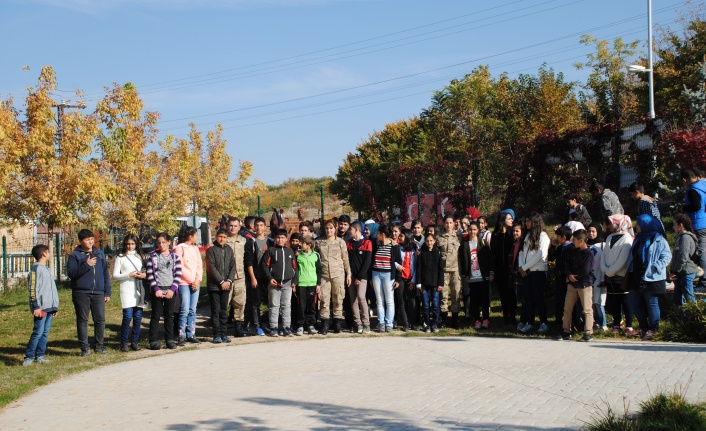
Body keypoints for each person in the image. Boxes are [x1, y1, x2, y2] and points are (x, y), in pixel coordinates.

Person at [627, 214, 672, 340]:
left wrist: (656, 266)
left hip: (653, 277)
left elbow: (667, 256)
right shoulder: (638, 239)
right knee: (634, 302)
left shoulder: (659, 239)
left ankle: (653, 328)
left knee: (651, 303)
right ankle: (643, 327)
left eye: (639, 224)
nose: (637, 227)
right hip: (637, 275)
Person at [67, 229, 111, 356]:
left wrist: (107, 292)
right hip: (81, 292)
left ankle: (99, 346)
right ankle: (85, 348)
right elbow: (71, 274)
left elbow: (105, 274)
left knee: (100, 320)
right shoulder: (75, 255)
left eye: (92, 239)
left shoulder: (99, 253)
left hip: (98, 292)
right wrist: (86, 264)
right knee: (83, 320)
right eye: (87, 239)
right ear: (80, 241)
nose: (90, 241)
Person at [555, 229, 595, 341]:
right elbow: (567, 264)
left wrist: (575, 277)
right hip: (572, 285)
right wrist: (568, 274)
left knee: (587, 309)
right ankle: (566, 331)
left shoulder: (589, 254)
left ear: (581, 240)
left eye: (575, 240)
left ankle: (588, 332)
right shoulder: (573, 251)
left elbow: (586, 270)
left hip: (584, 285)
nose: (572, 241)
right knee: (567, 308)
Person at [23, 244, 59, 366]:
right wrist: (35, 306)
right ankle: (29, 357)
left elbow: (51, 289)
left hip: (49, 306)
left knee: (45, 332)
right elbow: (32, 289)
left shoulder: (47, 269)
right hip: (40, 307)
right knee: (38, 332)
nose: (49, 254)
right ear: (44, 253)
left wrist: (55, 306)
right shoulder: (36, 269)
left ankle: (40, 355)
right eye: (48, 252)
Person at [146, 232, 182, 350]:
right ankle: (153, 340)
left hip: (170, 290)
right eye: (159, 243)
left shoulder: (175, 257)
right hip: (158, 290)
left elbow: (178, 274)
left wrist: (172, 289)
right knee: (156, 315)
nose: (161, 245)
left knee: (169, 316)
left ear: (169, 242)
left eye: (164, 242)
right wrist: (156, 289)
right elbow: (150, 274)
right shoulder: (153, 256)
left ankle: (169, 339)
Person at [600, 215, 635, 336]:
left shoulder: (627, 238)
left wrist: (610, 270)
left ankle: (629, 325)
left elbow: (623, 259)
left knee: (625, 301)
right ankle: (616, 324)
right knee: (614, 301)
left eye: (611, 223)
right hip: (610, 276)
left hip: (621, 276)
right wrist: (604, 268)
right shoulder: (610, 237)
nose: (609, 225)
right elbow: (604, 255)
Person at [261, 229, 298, 337]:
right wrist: (269, 278)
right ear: (275, 239)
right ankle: (273, 327)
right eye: (278, 237)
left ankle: (287, 327)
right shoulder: (270, 250)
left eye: (282, 238)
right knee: (274, 305)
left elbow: (295, 267)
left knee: (286, 305)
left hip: (287, 283)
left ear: (286, 239)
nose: (280, 240)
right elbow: (264, 265)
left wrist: (294, 281)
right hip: (274, 283)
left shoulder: (290, 251)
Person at [113, 234, 147, 352]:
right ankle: (124, 343)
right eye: (128, 244)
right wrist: (129, 275)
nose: (130, 246)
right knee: (127, 317)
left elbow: (146, 271)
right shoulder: (120, 257)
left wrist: (143, 275)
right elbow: (115, 275)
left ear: (136, 244)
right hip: (126, 290)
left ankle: (135, 342)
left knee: (138, 317)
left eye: (132, 244)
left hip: (139, 290)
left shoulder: (140, 256)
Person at [517, 212, 550, 334]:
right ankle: (529, 322)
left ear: (536, 222)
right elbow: (521, 252)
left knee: (538, 298)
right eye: (526, 221)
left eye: (529, 221)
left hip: (538, 272)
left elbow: (541, 254)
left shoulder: (543, 236)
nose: (527, 223)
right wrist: (521, 267)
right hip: (527, 272)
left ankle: (544, 323)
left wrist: (525, 267)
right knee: (528, 299)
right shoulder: (527, 235)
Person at [459, 221, 492, 329]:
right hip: (471, 277)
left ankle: (486, 319)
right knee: (475, 300)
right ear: (468, 230)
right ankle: (477, 320)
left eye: (474, 229)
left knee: (484, 299)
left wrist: (491, 273)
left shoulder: (483, 242)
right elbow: (462, 261)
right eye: (470, 229)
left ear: (478, 231)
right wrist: (464, 275)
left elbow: (490, 259)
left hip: (483, 276)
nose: (472, 232)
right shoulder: (464, 244)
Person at [173, 226, 203, 345]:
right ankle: (181, 335)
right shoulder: (179, 248)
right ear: (190, 236)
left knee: (192, 309)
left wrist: (197, 279)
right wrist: (191, 280)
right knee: (184, 309)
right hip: (184, 283)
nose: (197, 238)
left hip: (195, 283)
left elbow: (199, 265)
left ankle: (191, 333)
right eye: (196, 235)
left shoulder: (195, 248)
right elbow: (179, 266)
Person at [244, 217, 273, 335]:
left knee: (271, 301)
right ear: (253, 227)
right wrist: (252, 278)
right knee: (255, 302)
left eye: (261, 225)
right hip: (256, 277)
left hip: (268, 277)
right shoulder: (251, 242)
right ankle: (257, 325)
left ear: (265, 227)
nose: (259, 227)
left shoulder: (270, 242)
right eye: (257, 225)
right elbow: (248, 262)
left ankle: (272, 324)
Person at [206, 229, 236, 343]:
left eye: (224, 236)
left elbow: (233, 266)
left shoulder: (229, 250)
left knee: (224, 310)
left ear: (227, 238)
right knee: (216, 310)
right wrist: (221, 281)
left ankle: (224, 334)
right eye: (220, 236)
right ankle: (216, 334)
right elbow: (211, 268)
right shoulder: (211, 250)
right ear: (216, 237)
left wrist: (228, 281)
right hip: (215, 286)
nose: (222, 239)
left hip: (226, 286)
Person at [371, 224, 402, 332]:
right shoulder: (377, 245)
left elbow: (398, 263)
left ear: (382, 234)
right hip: (376, 274)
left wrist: (398, 279)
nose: (376, 236)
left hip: (388, 275)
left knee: (389, 300)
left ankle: (389, 322)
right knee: (379, 300)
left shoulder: (394, 247)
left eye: (378, 234)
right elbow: (372, 261)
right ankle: (381, 322)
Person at [681, 168, 706, 291]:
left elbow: (696, 206)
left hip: (697, 223)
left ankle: (704, 281)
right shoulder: (703, 185)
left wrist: (685, 208)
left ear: (684, 179)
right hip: (704, 221)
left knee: (701, 253)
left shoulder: (692, 190)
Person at [491, 209, 516, 325]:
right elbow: (493, 252)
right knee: (503, 293)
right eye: (509, 218)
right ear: (503, 220)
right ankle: (506, 315)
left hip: (511, 268)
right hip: (499, 268)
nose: (512, 220)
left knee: (512, 293)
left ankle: (513, 315)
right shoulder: (495, 235)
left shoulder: (513, 234)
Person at [416, 232, 444, 332]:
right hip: (424, 284)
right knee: (425, 305)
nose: (429, 242)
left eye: (431, 240)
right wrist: (418, 283)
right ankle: (427, 323)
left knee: (436, 305)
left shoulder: (438, 252)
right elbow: (418, 268)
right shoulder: (421, 253)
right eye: (427, 241)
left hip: (435, 284)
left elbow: (441, 269)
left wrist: (441, 283)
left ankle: (435, 323)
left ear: (434, 241)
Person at [346, 221, 372, 334]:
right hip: (351, 277)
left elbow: (367, 262)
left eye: (350, 229)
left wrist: (359, 277)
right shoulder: (349, 243)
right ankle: (358, 324)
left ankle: (366, 324)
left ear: (356, 230)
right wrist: (349, 275)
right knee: (353, 300)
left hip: (362, 277)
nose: (349, 231)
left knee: (361, 297)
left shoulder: (367, 243)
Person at [437, 214, 462, 328]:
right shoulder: (439, 237)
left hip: (456, 269)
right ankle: (444, 320)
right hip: (444, 270)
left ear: (454, 223)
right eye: (446, 222)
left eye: (451, 222)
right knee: (444, 295)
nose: (448, 225)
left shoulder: (459, 236)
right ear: (443, 223)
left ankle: (455, 320)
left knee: (456, 293)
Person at [548, 225, 574, 331]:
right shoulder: (559, 248)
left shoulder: (572, 249)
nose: (556, 238)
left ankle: (570, 323)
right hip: (559, 278)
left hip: (568, 279)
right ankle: (558, 321)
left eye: (558, 236)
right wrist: (553, 247)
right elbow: (550, 257)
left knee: (569, 302)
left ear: (563, 237)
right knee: (559, 301)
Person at [669, 214, 700, 306]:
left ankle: (695, 315)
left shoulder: (686, 238)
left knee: (688, 295)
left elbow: (683, 256)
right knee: (677, 296)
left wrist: (675, 270)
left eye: (675, 224)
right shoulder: (680, 237)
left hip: (686, 271)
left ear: (681, 225)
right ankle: (680, 316)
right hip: (680, 271)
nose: (673, 226)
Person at [225, 217, 248, 337]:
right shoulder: (223, 240)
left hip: (240, 276)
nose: (233, 228)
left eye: (235, 226)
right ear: (227, 226)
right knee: (225, 303)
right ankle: (221, 328)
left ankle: (238, 327)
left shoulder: (244, 241)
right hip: (226, 278)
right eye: (231, 225)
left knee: (240, 302)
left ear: (239, 227)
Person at [295, 236, 321, 335]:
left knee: (312, 306)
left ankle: (311, 325)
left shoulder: (316, 255)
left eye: (302, 243)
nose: (300, 245)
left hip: (312, 284)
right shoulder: (298, 255)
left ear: (309, 245)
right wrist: (296, 283)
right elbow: (296, 269)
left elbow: (319, 270)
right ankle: (300, 325)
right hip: (301, 284)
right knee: (301, 306)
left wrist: (318, 284)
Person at [394, 231, 416, 331]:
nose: (399, 237)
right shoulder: (398, 248)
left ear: (407, 237)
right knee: (401, 301)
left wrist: (414, 280)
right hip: (400, 278)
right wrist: (397, 265)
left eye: (402, 236)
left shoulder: (414, 249)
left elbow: (416, 266)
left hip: (411, 278)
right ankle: (405, 323)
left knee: (412, 301)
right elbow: (392, 259)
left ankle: (413, 322)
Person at [587, 224, 607, 331]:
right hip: (589, 278)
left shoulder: (602, 245)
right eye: (589, 231)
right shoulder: (585, 245)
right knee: (591, 303)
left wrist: (604, 278)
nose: (591, 233)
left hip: (600, 276)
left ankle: (603, 323)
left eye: (593, 231)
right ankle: (595, 323)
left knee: (599, 302)